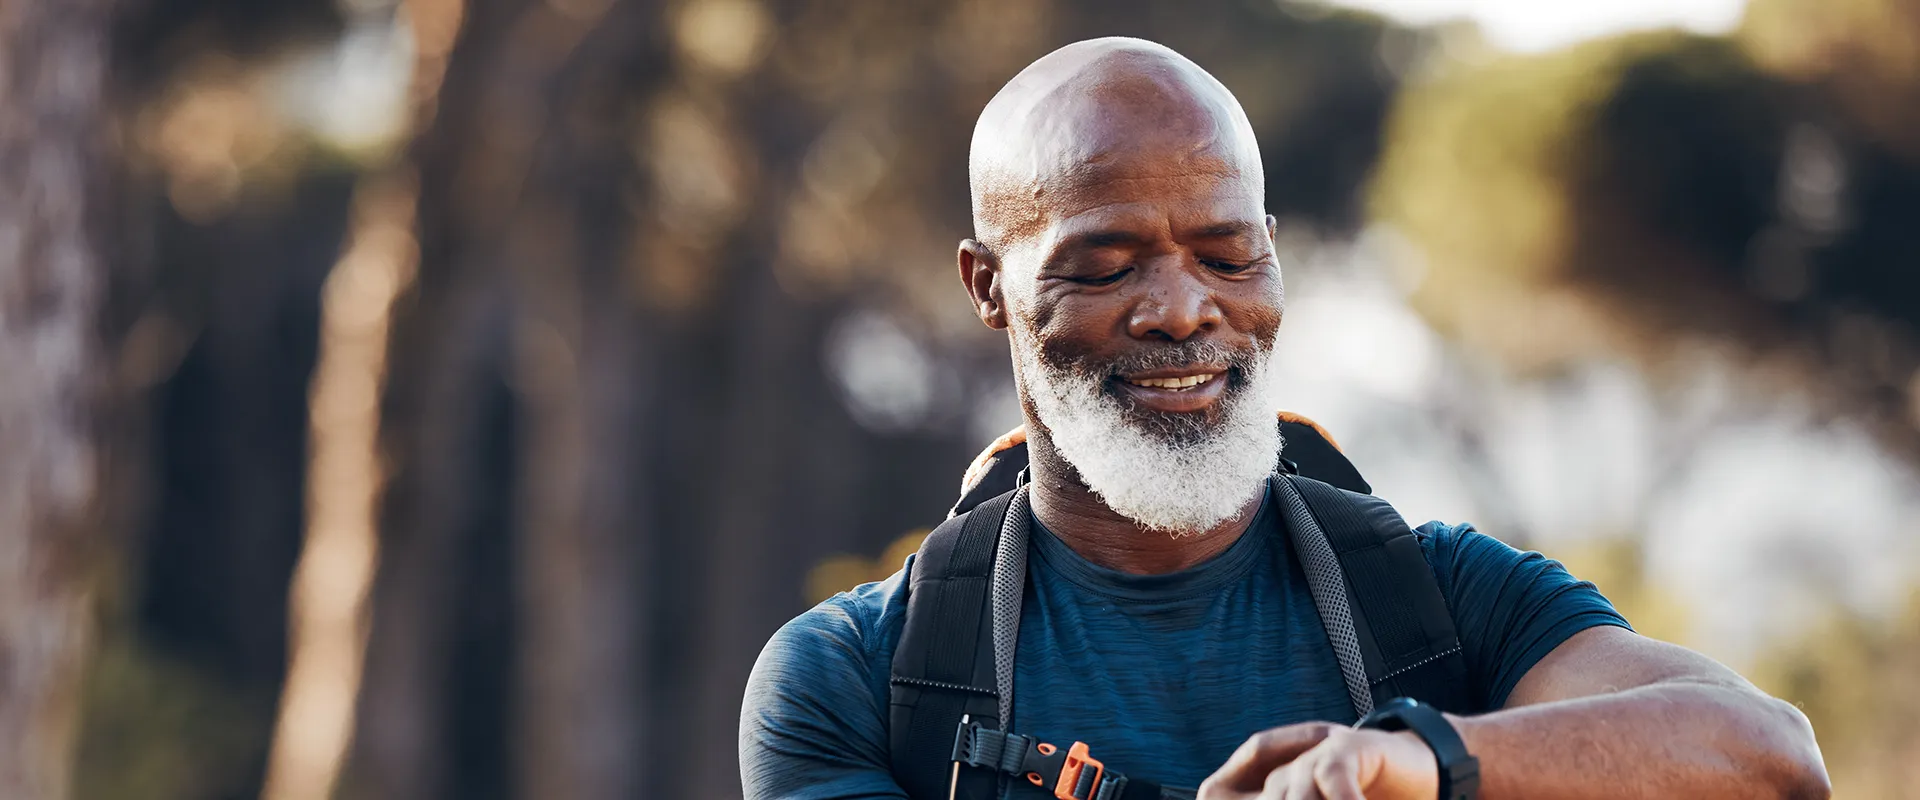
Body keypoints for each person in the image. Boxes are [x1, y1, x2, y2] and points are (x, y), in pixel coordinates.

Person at [740, 37, 1829, 800]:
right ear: (987, 286)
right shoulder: (853, 679)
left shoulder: (1449, 601)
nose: (1182, 309)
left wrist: (1416, 759)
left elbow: (1769, 757)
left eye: (1226, 256)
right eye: (1108, 264)